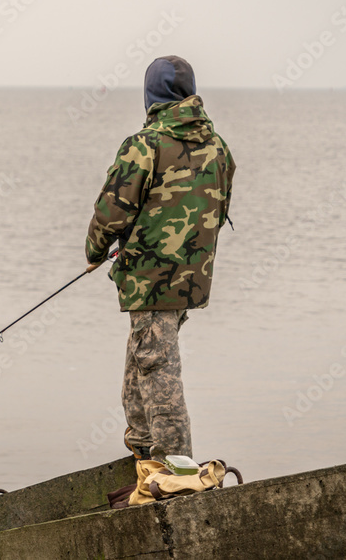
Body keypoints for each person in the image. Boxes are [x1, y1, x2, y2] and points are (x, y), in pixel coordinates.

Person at [85, 55, 235, 462]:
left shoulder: (144, 145)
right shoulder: (218, 146)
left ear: (151, 96)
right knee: (145, 358)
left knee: (158, 369)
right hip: (191, 279)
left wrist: (96, 252)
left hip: (151, 281)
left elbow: (110, 213)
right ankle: (141, 453)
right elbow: (217, 210)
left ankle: (177, 469)